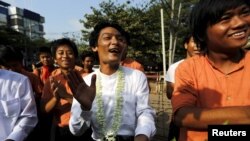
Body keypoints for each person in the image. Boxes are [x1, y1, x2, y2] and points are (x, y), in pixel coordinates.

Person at [171, 0, 250, 141]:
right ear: (201, 34)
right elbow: (182, 116)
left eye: (245, 13)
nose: (240, 23)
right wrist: (245, 115)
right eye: (225, 18)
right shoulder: (189, 68)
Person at [67, 21, 156, 141]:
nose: (115, 42)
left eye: (120, 39)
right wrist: (85, 108)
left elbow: (145, 112)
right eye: (107, 38)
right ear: (94, 47)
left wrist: (142, 136)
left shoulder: (137, 76)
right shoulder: (85, 83)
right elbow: (76, 131)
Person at [40, 38, 93, 141]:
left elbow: (92, 107)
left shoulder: (87, 78)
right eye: (60, 53)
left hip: (84, 129)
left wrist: (65, 96)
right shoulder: (51, 80)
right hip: (61, 129)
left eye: (69, 53)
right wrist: (56, 98)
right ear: (55, 58)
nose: (65, 56)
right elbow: (44, 110)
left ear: (76, 57)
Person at [166, 34, 199, 141]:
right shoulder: (175, 67)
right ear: (186, 45)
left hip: (204, 118)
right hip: (180, 119)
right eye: (194, 41)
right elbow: (170, 94)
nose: (198, 46)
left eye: (201, 42)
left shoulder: (211, 67)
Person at [0, 44, 38, 141]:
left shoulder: (22, 80)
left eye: (14, 65)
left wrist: (13, 138)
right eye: (7, 66)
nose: (11, 70)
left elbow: (28, 116)